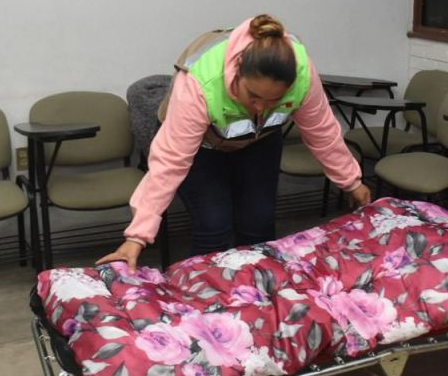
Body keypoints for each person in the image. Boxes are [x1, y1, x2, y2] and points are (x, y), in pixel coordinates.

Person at [98, 14, 372, 270]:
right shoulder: (202, 82)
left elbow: (322, 132)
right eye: (253, 96)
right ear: (236, 72)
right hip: (200, 148)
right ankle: (205, 293)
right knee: (213, 225)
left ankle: (254, 291)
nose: (261, 107)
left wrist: (352, 182)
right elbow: (170, 162)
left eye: (274, 100)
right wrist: (137, 236)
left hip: (258, 141)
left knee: (258, 225)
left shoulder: (302, 75)